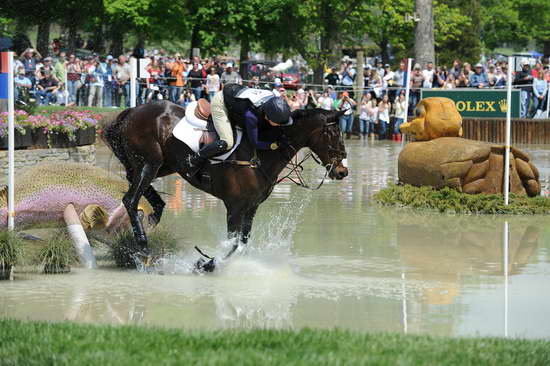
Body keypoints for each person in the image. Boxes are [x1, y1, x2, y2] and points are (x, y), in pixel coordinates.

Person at [186, 84, 293, 177]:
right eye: (278, 123)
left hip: (237, 93)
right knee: (227, 142)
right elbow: (255, 143)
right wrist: (275, 145)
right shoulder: (251, 116)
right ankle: (195, 159)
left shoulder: (274, 100)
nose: (280, 125)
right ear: (268, 117)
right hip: (221, 103)